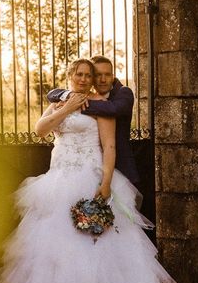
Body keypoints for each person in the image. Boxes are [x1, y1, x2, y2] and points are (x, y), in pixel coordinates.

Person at [0, 59, 198, 283]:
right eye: (77, 74)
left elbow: (110, 147)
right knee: (54, 244)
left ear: (92, 79)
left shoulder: (100, 105)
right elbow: (41, 130)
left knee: (94, 242)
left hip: (89, 178)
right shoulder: (60, 101)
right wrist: (66, 107)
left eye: (87, 75)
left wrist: (104, 184)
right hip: (58, 178)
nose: (82, 78)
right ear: (70, 76)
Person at [47, 56, 140, 189]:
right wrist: (69, 96)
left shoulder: (123, 92)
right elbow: (51, 94)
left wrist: (76, 104)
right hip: (86, 165)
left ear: (113, 76)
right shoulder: (76, 96)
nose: (102, 79)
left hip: (120, 165)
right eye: (98, 75)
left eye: (107, 75)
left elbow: (113, 109)